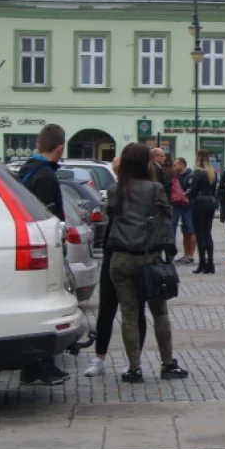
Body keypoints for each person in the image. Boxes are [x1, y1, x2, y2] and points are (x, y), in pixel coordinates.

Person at [106, 143, 187, 383]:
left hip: (120, 258)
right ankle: (167, 364)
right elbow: (165, 223)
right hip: (149, 258)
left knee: (129, 314)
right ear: (146, 164)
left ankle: (134, 368)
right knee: (159, 313)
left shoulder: (114, 190)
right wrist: (168, 251)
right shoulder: (155, 189)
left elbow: (112, 217)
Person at [17, 124, 70, 385]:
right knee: (48, 305)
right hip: (44, 251)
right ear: (59, 148)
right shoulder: (46, 177)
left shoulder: (27, 171)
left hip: (30, 248)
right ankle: (42, 365)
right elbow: (50, 219)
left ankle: (33, 365)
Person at [86, 157, 148, 378]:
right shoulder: (116, 191)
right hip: (114, 251)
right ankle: (100, 357)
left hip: (133, 253)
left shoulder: (146, 191)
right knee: (108, 308)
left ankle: (133, 360)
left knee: (134, 310)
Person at [189, 149, 218, 274]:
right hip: (210, 203)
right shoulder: (212, 173)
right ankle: (210, 263)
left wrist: (189, 195)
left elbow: (193, 190)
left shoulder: (197, 172)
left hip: (199, 204)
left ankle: (202, 263)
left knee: (200, 234)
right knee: (208, 234)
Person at [170, 158, 196, 265]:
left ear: (182, 164)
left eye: (175, 165)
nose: (173, 167)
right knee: (184, 231)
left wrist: (184, 194)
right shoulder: (176, 175)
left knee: (190, 230)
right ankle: (186, 254)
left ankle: (190, 255)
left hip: (188, 206)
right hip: (177, 205)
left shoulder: (191, 175)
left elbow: (192, 189)